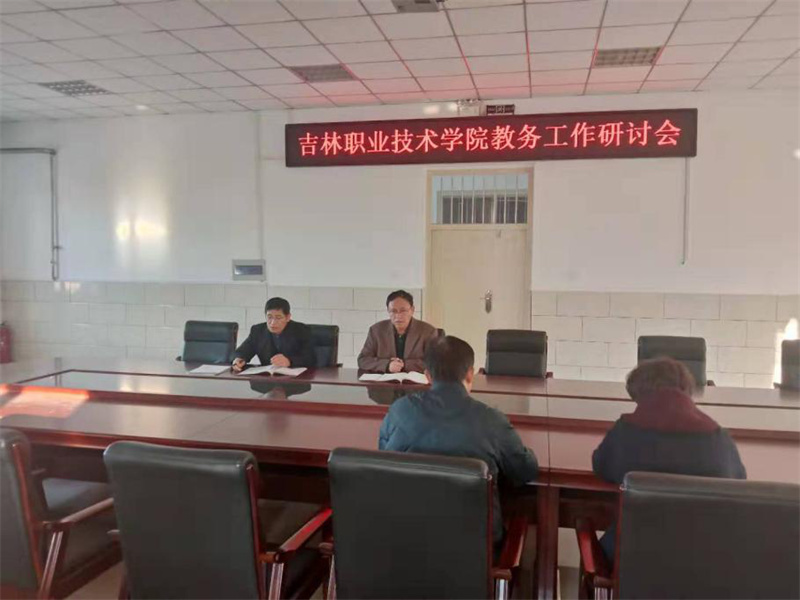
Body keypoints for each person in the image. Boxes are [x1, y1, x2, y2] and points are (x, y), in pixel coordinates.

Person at [379, 335, 539, 548]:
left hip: (408, 542)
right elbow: (525, 472)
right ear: (470, 374)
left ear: (427, 376)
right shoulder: (491, 421)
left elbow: (384, 459)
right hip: (476, 551)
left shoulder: (400, 411)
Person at [592, 357, 747, 561]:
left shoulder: (626, 431)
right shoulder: (718, 439)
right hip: (706, 561)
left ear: (639, 394)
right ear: (686, 389)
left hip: (632, 559)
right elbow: (738, 484)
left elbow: (601, 466)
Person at [357, 290, 438, 373]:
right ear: (388, 311)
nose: (398, 316)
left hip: (415, 380)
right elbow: (363, 360)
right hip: (384, 379)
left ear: (412, 310)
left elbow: (435, 362)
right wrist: (387, 365)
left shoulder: (428, 332)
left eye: (403, 311)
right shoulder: (376, 330)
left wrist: (404, 364)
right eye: (393, 311)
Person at [232, 297, 315, 372]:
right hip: (267, 379)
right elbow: (242, 351)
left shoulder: (301, 330)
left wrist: (289, 361)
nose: (273, 323)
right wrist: (239, 359)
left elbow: (310, 358)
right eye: (269, 317)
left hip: (295, 380)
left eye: (278, 318)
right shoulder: (258, 331)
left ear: (288, 317)